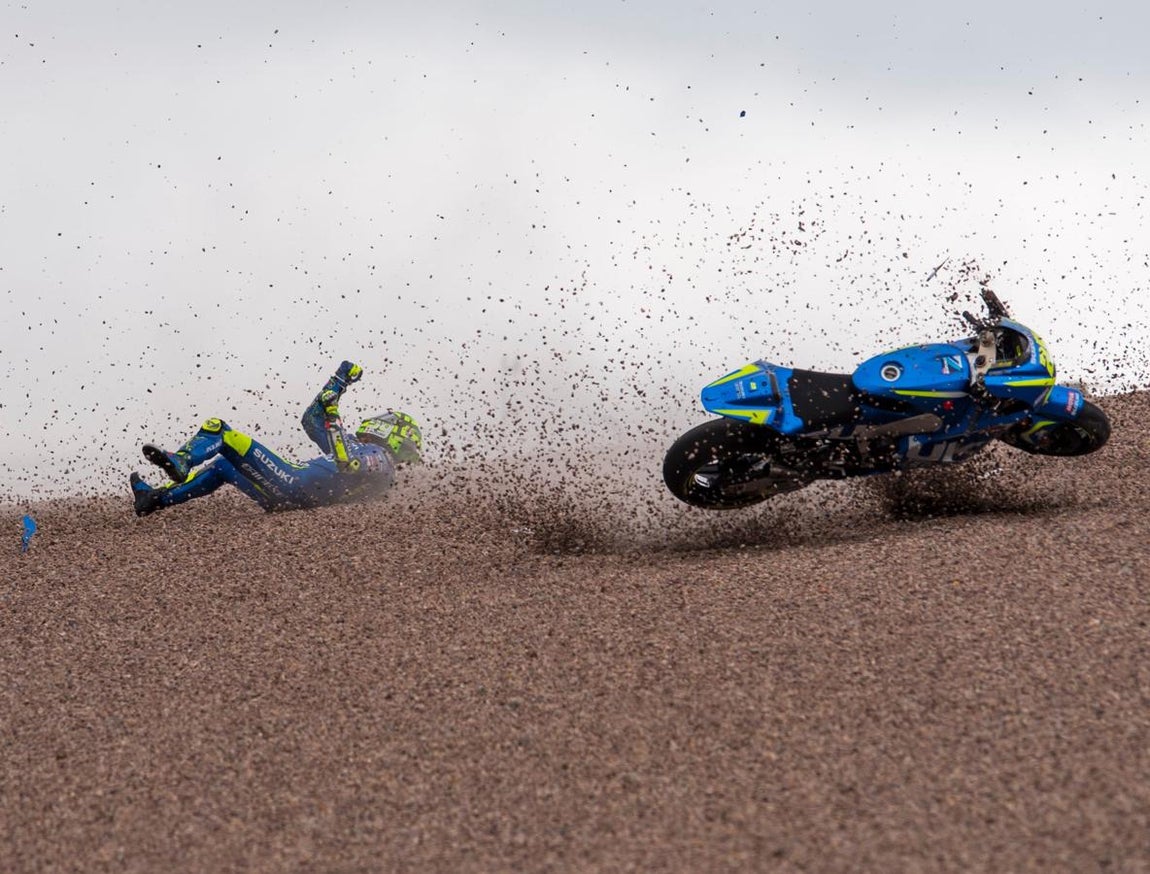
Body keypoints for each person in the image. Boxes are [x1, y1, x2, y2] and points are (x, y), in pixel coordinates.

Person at [130, 361, 422, 516]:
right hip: (291, 497)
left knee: (220, 430)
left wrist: (333, 411)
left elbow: (349, 465)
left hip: (293, 483)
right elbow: (311, 421)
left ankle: (182, 460)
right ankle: (153, 499)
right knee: (224, 465)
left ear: (396, 435)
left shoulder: (380, 458)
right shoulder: (362, 450)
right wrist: (338, 382)